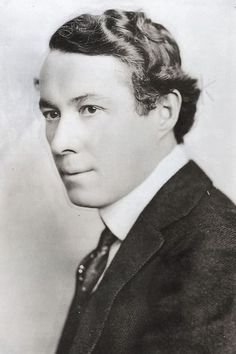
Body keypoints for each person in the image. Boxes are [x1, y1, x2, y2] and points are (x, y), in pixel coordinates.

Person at [38, 9, 236, 354]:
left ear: (164, 112)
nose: (58, 142)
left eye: (89, 109)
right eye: (52, 113)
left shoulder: (215, 250)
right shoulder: (131, 235)